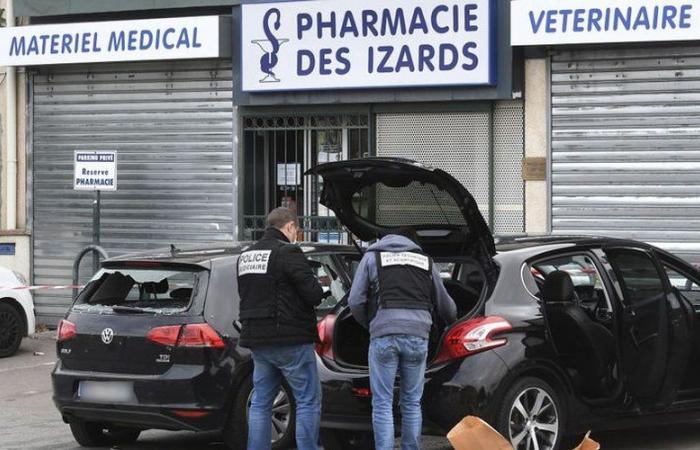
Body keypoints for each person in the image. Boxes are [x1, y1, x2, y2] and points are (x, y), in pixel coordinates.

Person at [348, 228, 457, 450]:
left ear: (384, 239)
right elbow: (446, 306)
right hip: (418, 336)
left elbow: (355, 300)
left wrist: (371, 324)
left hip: (383, 336)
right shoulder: (425, 261)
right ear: (411, 241)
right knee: (411, 402)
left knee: (382, 404)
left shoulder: (372, 257)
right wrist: (451, 322)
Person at [237, 207, 324, 450]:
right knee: (308, 400)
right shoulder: (288, 251)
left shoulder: (246, 256)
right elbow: (314, 294)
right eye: (296, 230)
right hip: (290, 339)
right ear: (289, 227)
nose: (296, 235)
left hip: (258, 340)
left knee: (261, 402)